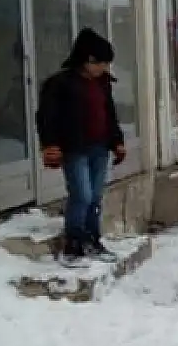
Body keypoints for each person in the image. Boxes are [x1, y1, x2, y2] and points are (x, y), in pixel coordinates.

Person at [36, 28, 127, 267]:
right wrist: (50, 145)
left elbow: (110, 114)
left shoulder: (102, 83)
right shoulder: (60, 84)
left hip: (99, 148)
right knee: (82, 195)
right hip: (74, 148)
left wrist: (117, 141)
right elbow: (46, 117)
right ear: (88, 60)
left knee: (95, 196)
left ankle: (93, 240)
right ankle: (74, 243)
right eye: (103, 63)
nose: (106, 68)